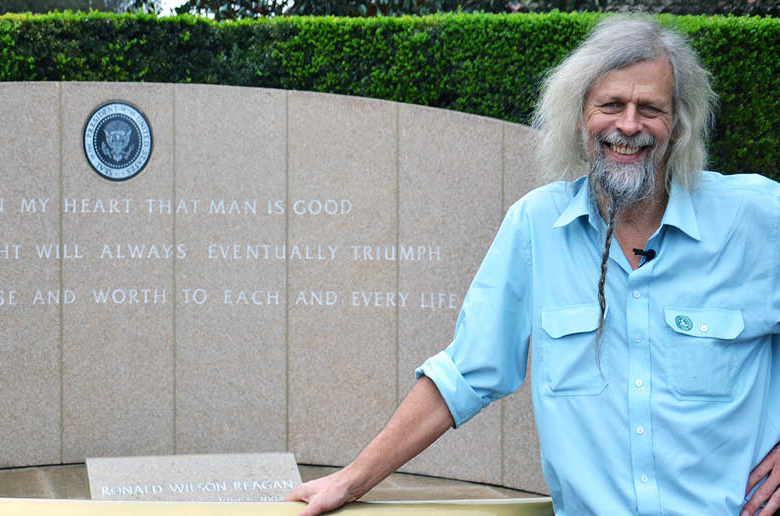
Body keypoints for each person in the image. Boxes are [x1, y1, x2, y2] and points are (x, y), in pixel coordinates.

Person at [287, 15, 780, 516]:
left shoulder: (757, 218)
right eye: (610, 105)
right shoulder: (535, 227)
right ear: (578, 117)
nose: (628, 125)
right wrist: (350, 480)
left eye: (649, 108)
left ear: (677, 125)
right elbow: (464, 373)